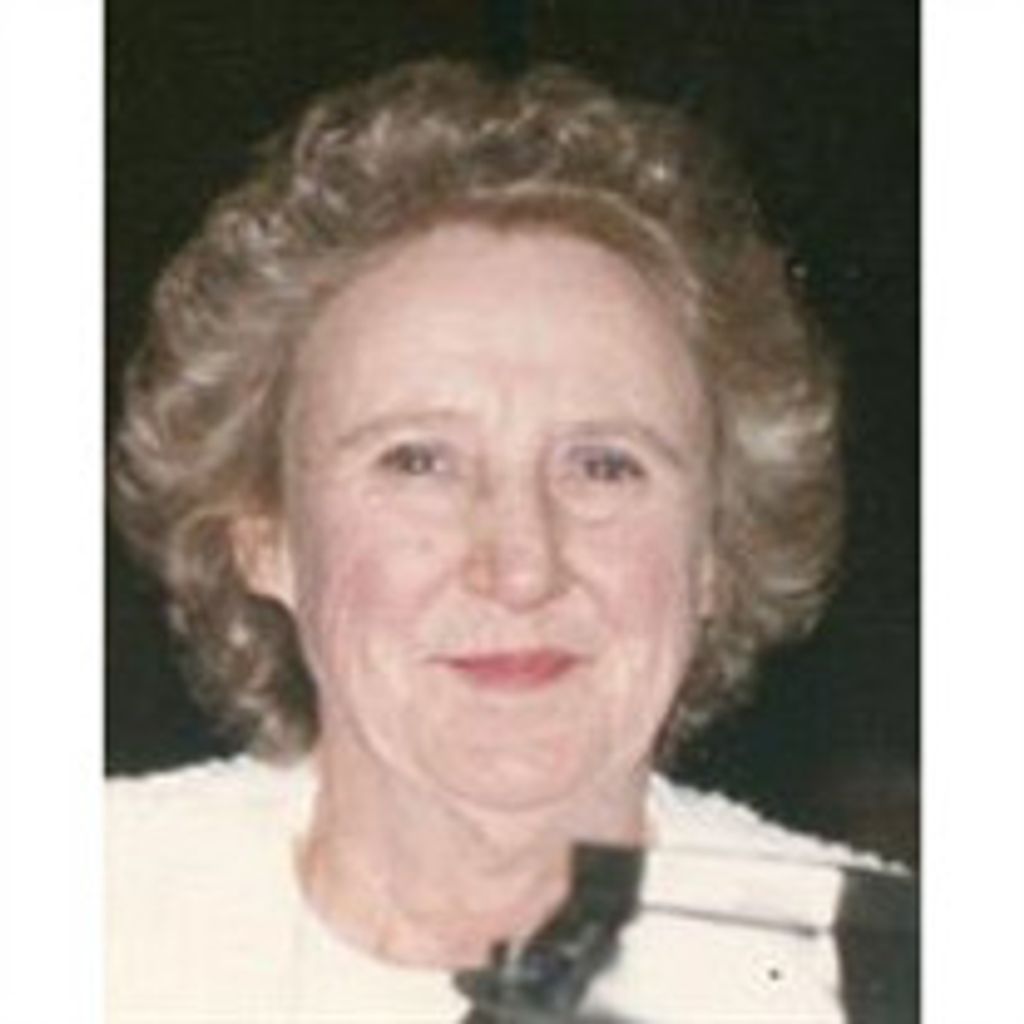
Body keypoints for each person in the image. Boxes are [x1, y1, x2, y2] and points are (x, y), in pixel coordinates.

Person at [107, 59, 897, 1022]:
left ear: (713, 553)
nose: (522, 566)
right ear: (263, 536)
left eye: (603, 465)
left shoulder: (871, 977)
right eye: (418, 462)